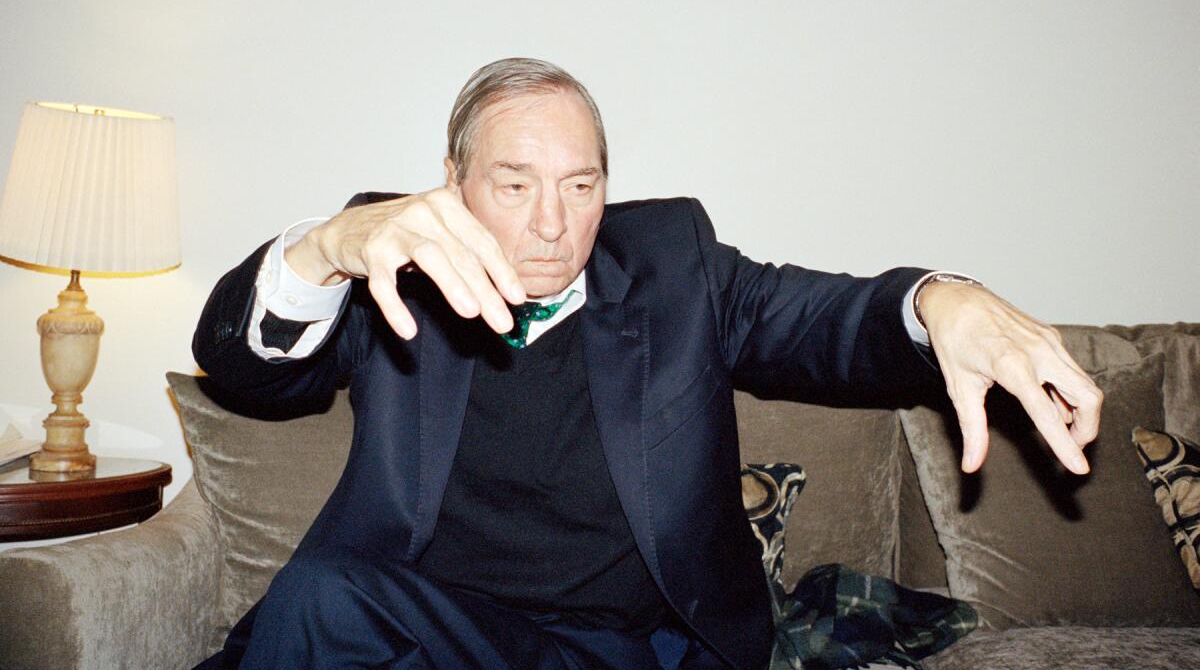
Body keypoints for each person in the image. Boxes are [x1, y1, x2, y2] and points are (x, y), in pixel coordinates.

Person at [192, 57, 1102, 670]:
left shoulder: (678, 269)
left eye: (580, 186)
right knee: (318, 599)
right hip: (447, 634)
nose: (553, 223)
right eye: (515, 185)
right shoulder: (396, 269)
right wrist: (327, 248)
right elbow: (247, 372)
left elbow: (829, 319)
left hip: (631, 651)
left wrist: (938, 300)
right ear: (452, 179)